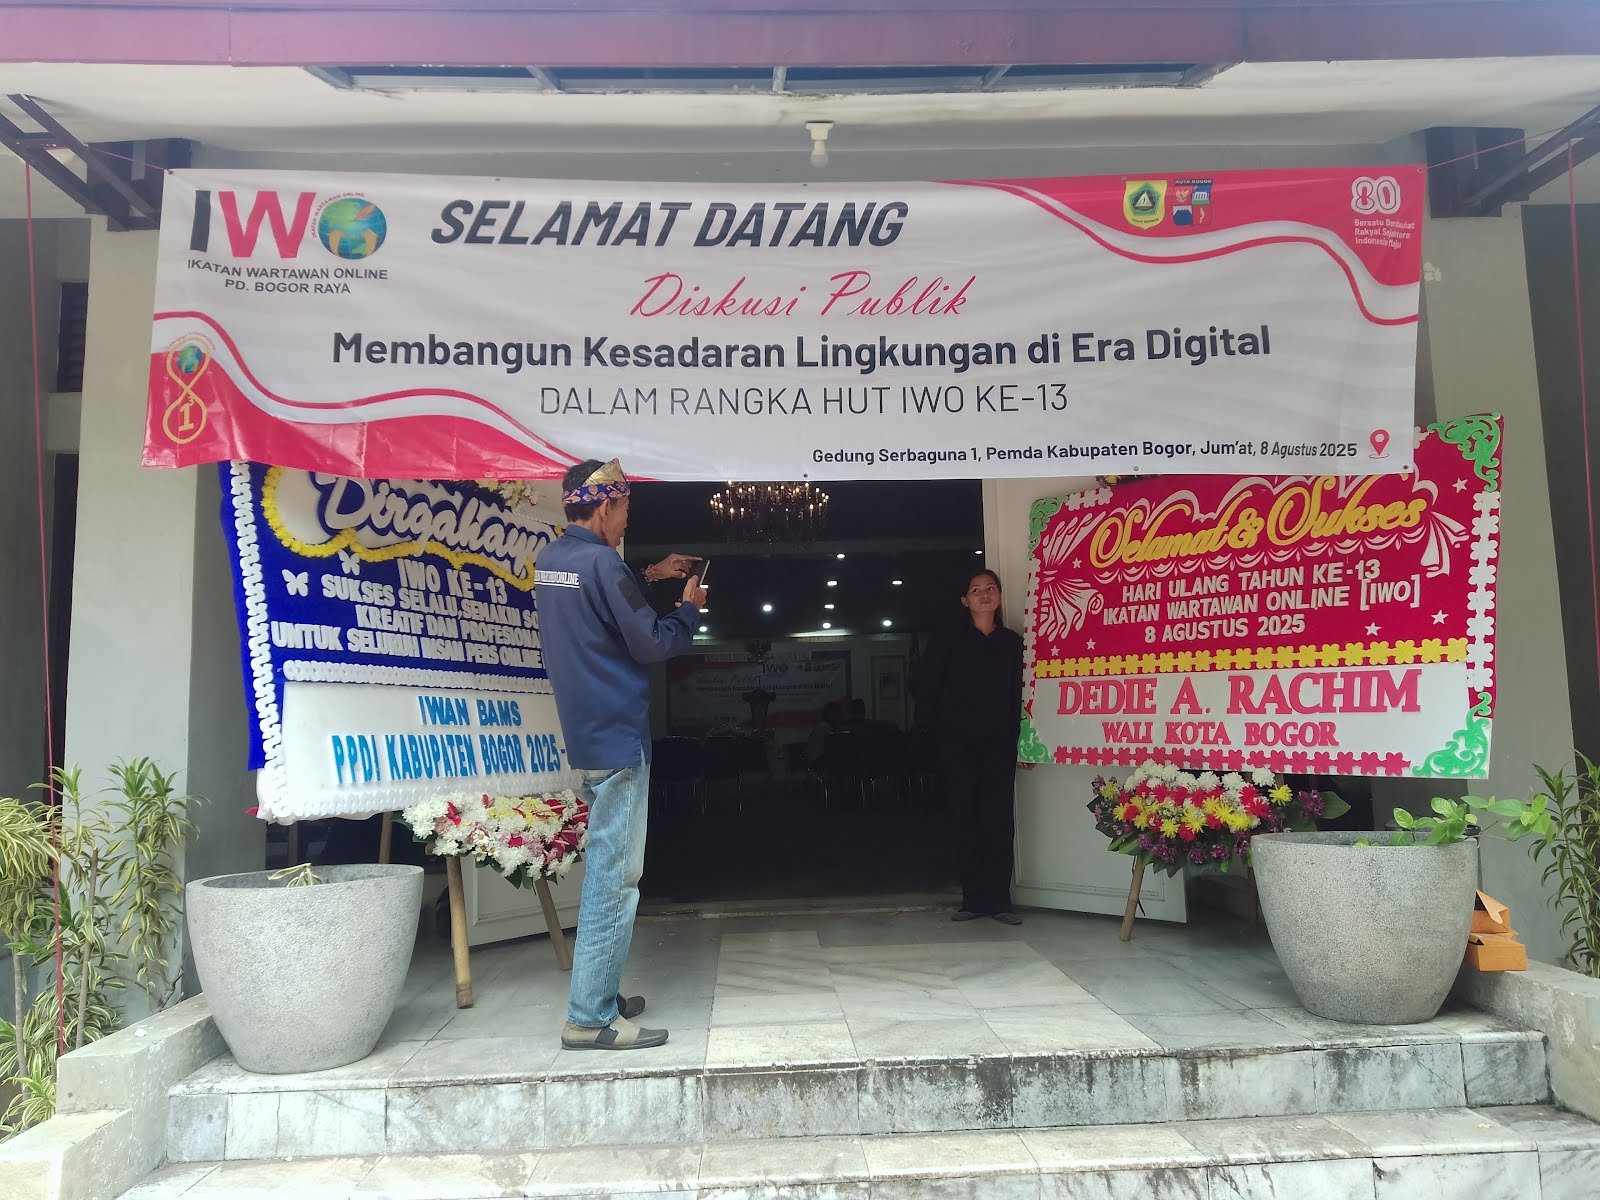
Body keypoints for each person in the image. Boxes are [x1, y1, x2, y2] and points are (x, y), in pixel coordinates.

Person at [535, 458, 706, 1051]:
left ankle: (600, 995)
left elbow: (597, 606)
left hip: (586, 734)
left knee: (606, 868)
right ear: (606, 504)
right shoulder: (604, 564)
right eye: (627, 508)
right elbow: (652, 642)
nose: (627, 519)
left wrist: (648, 573)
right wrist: (689, 607)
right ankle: (589, 1018)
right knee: (616, 877)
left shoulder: (553, 562)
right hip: (618, 734)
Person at [913, 568, 1025, 925]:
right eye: (976, 590)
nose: (984, 594)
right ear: (965, 600)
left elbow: (1021, 696)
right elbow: (925, 688)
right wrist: (939, 731)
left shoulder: (1012, 643)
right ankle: (973, 900)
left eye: (991, 588)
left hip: (1000, 744)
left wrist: (1025, 744)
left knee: (998, 818)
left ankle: (1000, 901)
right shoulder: (948, 641)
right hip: (958, 744)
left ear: (1000, 597)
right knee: (965, 817)